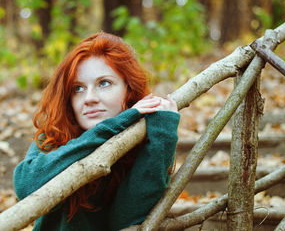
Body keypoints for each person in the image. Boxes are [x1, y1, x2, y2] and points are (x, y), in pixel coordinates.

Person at [13, 32, 180, 231]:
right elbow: (26, 186)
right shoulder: (56, 135)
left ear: (129, 89)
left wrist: (164, 134)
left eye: (104, 83)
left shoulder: (140, 140)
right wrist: (110, 128)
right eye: (78, 88)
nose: (89, 98)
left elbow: (127, 220)